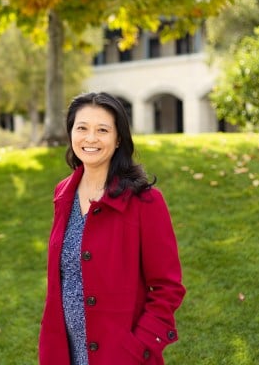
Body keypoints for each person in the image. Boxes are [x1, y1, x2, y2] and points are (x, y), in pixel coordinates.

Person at [38, 92, 185, 365]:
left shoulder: (146, 202)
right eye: (82, 128)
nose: (90, 138)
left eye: (102, 130)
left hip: (121, 356)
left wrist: (137, 348)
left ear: (118, 139)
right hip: (64, 353)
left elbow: (167, 288)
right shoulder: (63, 194)